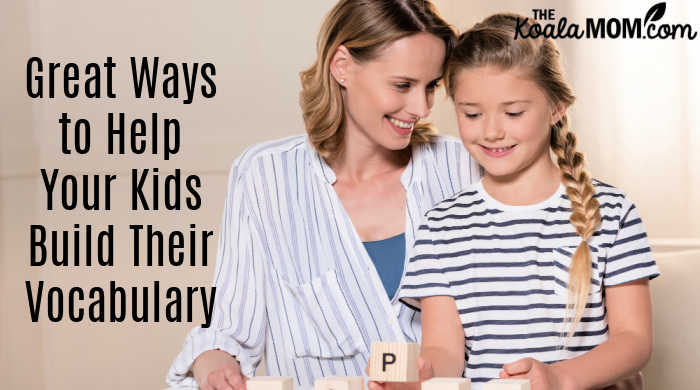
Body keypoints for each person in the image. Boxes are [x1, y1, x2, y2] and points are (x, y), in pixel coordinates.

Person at [165, 1, 481, 389]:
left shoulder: (462, 167)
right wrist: (215, 371)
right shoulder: (265, 176)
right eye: (402, 85)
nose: (421, 107)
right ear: (342, 66)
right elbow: (228, 332)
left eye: (431, 86)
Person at [396, 13, 659, 390]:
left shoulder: (612, 211)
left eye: (513, 112)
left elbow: (634, 341)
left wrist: (560, 378)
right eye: (471, 113)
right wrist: (422, 378)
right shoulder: (441, 226)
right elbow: (443, 350)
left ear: (555, 108)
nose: (491, 131)